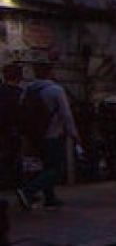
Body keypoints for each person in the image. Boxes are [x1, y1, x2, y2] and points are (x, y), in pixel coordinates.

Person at [16, 63, 79, 209]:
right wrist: (73, 133)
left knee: (45, 165)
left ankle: (50, 197)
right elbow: (66, 114)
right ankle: (28, 191)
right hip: (52, 133)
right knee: (56, 168)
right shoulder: (55, 90)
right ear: (50, 72)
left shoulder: (28, 89)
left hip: (34, 135)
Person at [0, 65, 23, 188]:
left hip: (3, 131)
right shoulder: (20, 94)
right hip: (13, 132)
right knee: (13, 160)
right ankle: (20, 189)